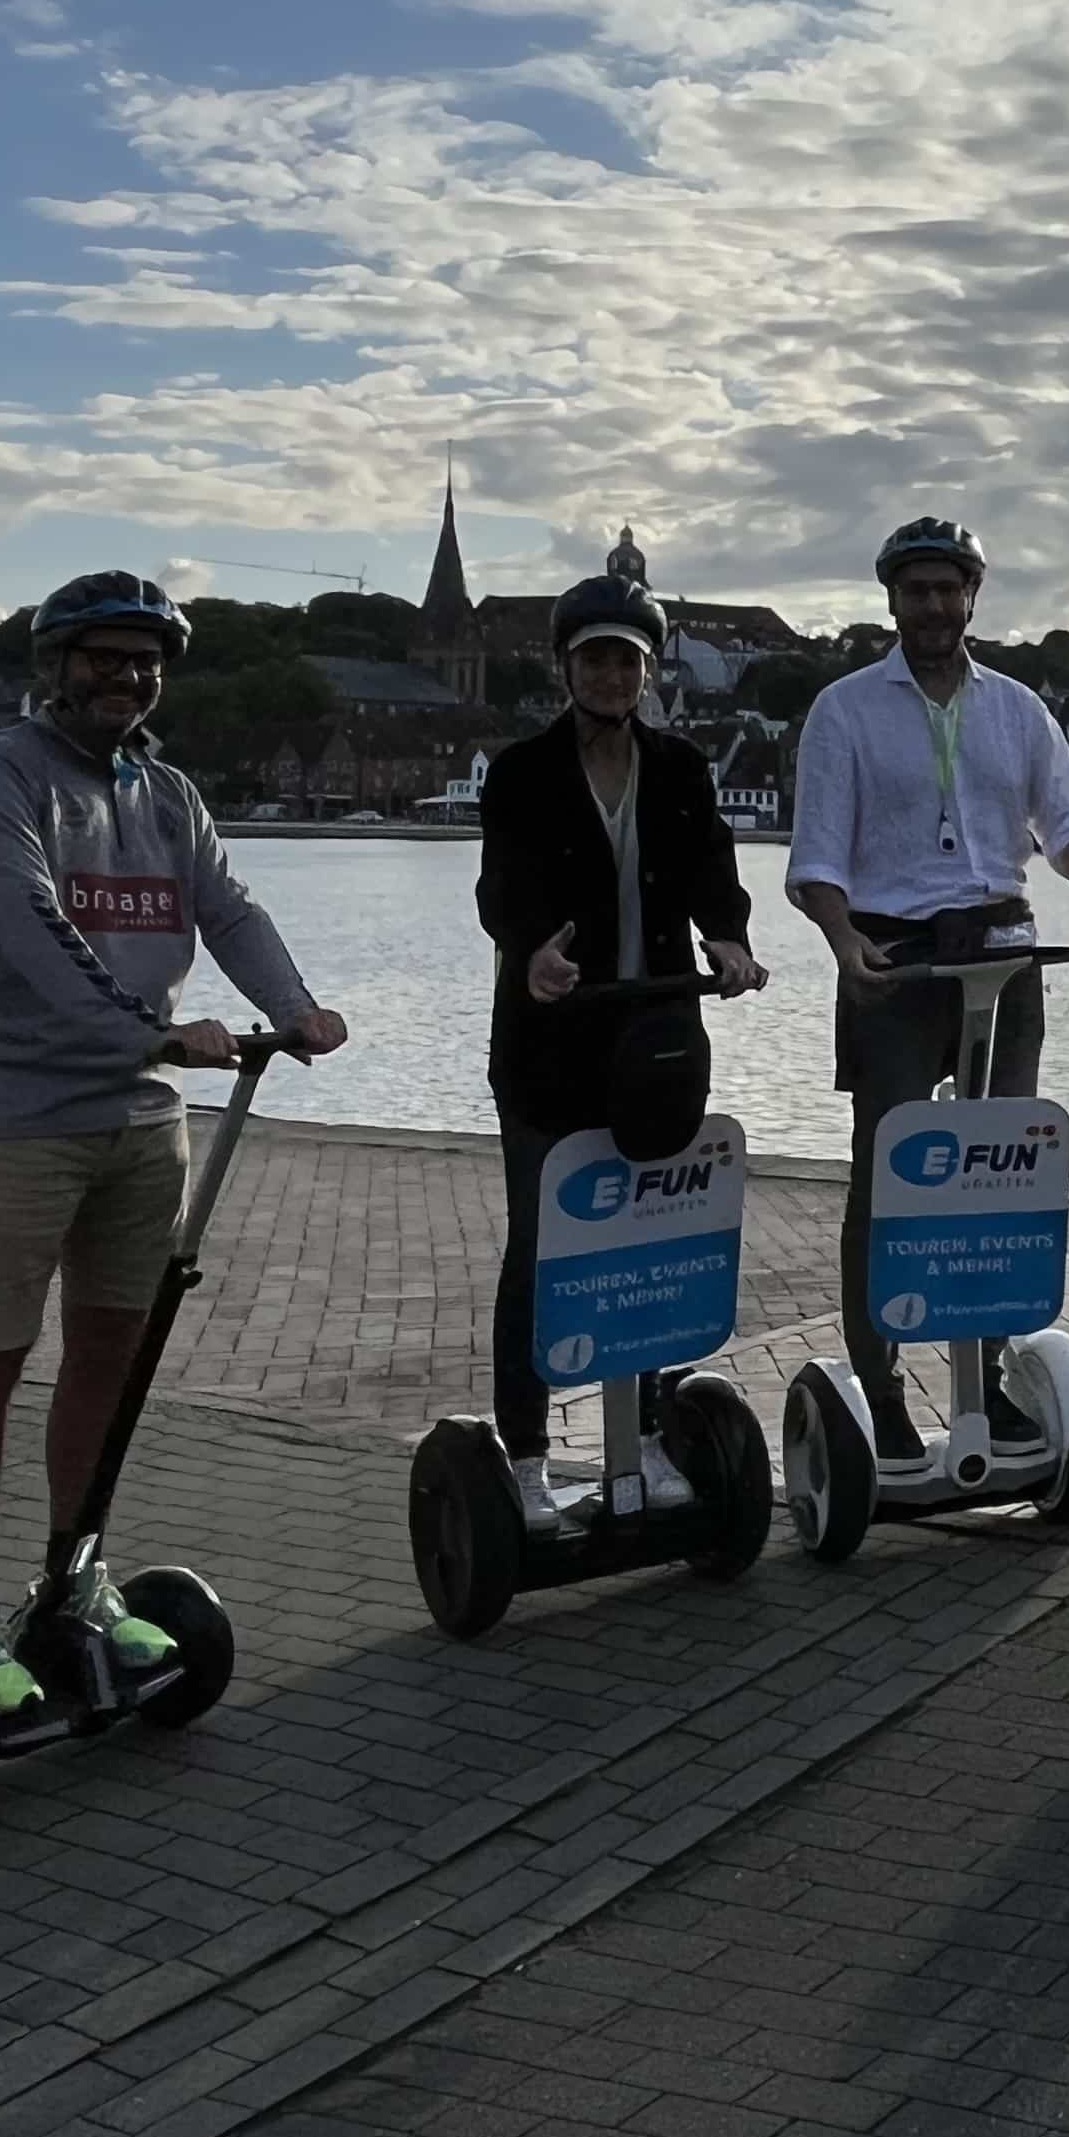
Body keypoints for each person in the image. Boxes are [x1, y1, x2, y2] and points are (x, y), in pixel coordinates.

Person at [0, 572, 348, 1715]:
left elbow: (229, 909)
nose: (126, 676)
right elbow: (32, 927)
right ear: (52, 664)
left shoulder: (164, 791)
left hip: (141, 1122)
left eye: (145, 660)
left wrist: (294, 1007)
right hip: (20, 1120)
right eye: (103, 657)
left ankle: (73, 1579)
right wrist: (153, 1032)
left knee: (110, 1358)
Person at [786, 516, 1069, 1458]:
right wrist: (840, 936)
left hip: (1004, 954)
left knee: (1000, 1180)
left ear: (974, 595)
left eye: (950, 589)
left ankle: (984, 1383)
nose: (935, 606)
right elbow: (817, 854)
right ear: (891, 599)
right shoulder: (845, 711)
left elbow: (1067, 819)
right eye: (917, 590)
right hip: (894, 961)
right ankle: (883, 1392)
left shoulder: (1019, 709)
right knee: (888, 1179)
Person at [474, 573, 768, 1533]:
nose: (611, 673)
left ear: (649, 669)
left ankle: (644, 1442)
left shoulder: (680, 766)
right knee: (542, 1250)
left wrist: (727, 937)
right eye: (594, 656)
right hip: (549, 1051)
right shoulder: (521, 771)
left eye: (628, 658)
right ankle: (526, 1457)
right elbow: (501, 887)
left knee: (653, 1247)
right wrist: (531, 955)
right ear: (566, 665)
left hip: (655, 1044)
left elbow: (712, 867)